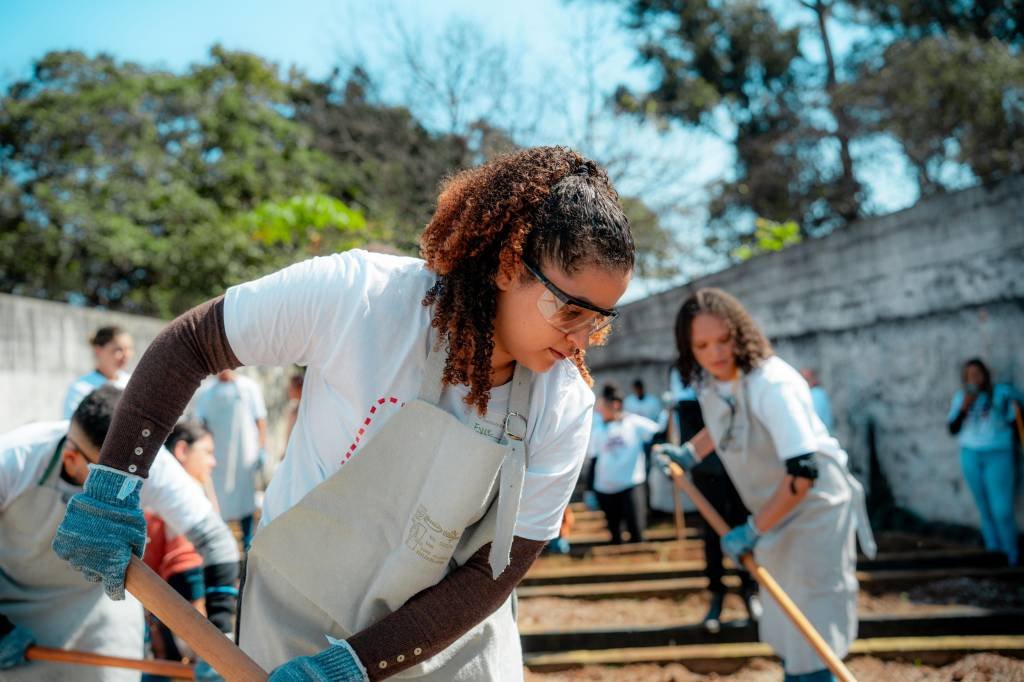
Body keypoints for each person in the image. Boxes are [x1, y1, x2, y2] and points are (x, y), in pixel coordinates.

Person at [51, 146, 634, 681]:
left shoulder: (563, 404)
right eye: (569, 310)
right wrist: (115, 482)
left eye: (599, 320)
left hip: (440, 644)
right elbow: (193, 342)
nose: (581, 340)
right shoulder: (361, 300)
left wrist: (356, 665)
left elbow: (494, 573)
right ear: (508, 264)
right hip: (291, 625)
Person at [657, 288, 875, 682]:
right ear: (689, 349)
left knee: (814, 611)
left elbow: (803, 472)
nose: (716, 353)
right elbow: (724, 422)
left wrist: (754, 529)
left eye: (723, 340)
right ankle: (798, 672)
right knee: (784, 610)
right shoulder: (711, 381)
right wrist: (689, 453)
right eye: (702, 345)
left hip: (814, 510)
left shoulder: (772, 383)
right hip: (774, 510)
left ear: (740, 333)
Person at [1, 386, 238, 681]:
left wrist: (221, 642)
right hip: (16, 606)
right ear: (72, 458)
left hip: (102, 604)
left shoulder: (145, 462)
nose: (123, 486)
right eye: (107, 478)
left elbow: (215, 541)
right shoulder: (13, 459)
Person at [667, 370, 759, 633]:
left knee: (744, 525)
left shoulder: (728, 372)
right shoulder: (680, 375)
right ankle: (717, 594)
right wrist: (684, 457)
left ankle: (750, 590)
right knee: (712, 532)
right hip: (706, 469)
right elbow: (690, 425)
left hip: (738, 462)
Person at [143, 421, 221, 664]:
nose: (213, 462)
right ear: (182, 451)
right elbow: (185, 567)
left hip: (160, 606)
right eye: (207, 452)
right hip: (185, 612)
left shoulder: (160, 494)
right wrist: (208, 632)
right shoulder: (182, 502)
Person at [947, 358, 1019, 566]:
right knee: (984, 508)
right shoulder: (962, 398)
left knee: (1002, 509)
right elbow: (952, 428)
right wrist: (964, 408)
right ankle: (994, 556)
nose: (974, 379)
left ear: (985, 375)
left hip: (998, 452)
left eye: (977, 374)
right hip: (970, 454)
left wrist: (1008, 402)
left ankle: (1011, 557)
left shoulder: (1000, 394)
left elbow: (1015, 419)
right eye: (969, 375)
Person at [195, 369, 267, 551]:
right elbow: (200, 425)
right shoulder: (206, 393)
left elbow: (260, 421)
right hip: (218, 459)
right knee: (219, 502)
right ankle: (223, 546)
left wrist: (261, 448)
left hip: (244, 457)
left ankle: (248, 544)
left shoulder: (249, 388)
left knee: (245, 499)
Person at [590, 383, 659, 544]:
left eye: (603, 406)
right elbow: (593, 458)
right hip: (605, 487)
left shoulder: (633, 422)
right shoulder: (597, 427)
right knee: (615, 535)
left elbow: (657, 432)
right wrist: (590, 489)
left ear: (615, 405)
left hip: (631, 483)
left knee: (637, 532)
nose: (599, 410)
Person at [63, 325, 134, 418]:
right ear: (98, 350)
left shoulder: (132, 383)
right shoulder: (80, 388)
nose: (126, 355)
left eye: (129, 349)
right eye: (119, 349)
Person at [799, 368, 834, 434]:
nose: (803, 382)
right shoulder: (817, 393)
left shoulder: (816, 394)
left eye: (806, 379)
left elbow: (811, 419)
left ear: (814, 380)